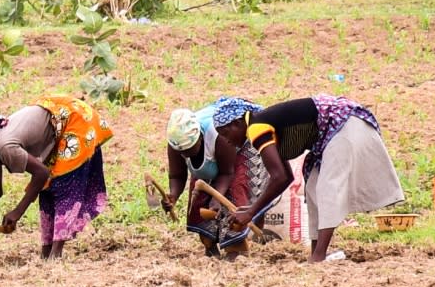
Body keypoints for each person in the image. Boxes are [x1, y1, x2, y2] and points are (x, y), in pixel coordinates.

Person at [169, 95, 403, 263]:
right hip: (329, 137)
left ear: (238, 123)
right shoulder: (260, 127)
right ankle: (316, 253)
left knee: (328, 188)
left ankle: (319, 257)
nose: (228, 142)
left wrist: (250, 212)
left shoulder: (257, 128)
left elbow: (279, 177)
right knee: (312, 189)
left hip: (344, 125)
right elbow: (286, 176)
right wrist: (253, 208)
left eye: (227, 135)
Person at [0, 95, 113, 259]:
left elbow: (41, 173)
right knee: (47, 188)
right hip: (58, 123)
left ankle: (56, 254)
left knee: (62, 185)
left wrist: (18, 211)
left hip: (74, 119)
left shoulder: (5, 146)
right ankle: (47, 253)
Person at [163, 98, 294, 258]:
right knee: (199, 197)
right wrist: (173, 196)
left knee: (236, 190)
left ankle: (236, 249)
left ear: (200, 138)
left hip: (240, 147)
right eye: (182, 152)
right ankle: (209, 245)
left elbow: (227, 173)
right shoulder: (177, 142)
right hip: (216, 159)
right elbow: (177, 175)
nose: (185, 155)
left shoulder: (219, 136)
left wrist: (216, 198)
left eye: (190, 149)